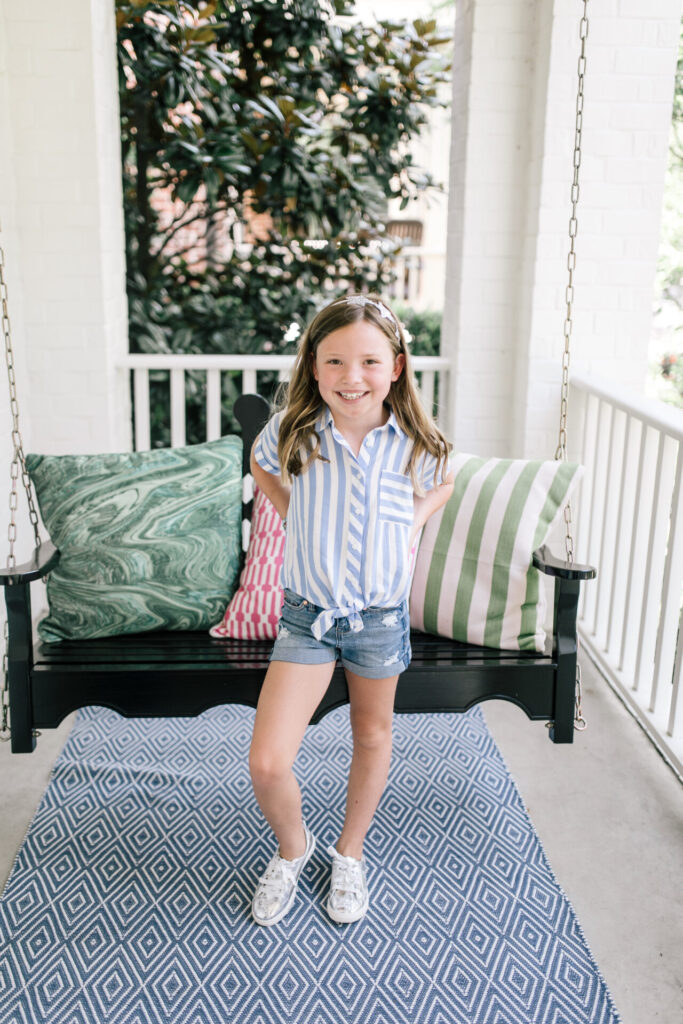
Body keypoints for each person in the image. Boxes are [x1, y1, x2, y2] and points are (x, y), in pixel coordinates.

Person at [249, 293, 454, 927]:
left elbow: (443, 478)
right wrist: (294, 513)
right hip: (308, 618)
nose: (351, 377)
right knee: (267, 761)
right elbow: (261, 469)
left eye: (368, 361)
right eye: (335, 361)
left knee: (371, 735)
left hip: (380, 622)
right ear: (314, 366)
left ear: (395, 366)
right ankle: (294, 847)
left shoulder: (414, 440)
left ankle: (350, 852)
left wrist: (414, 519)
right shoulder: (290, 432)